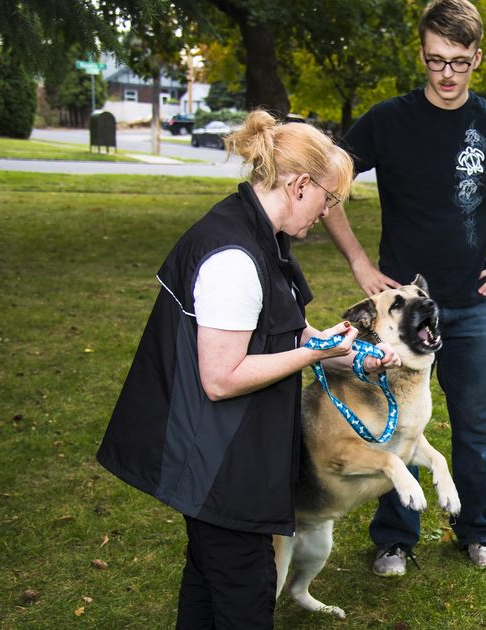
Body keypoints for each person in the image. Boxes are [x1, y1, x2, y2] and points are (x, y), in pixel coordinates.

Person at [96, 110, 398, 629]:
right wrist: (313, 356)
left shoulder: (263, 235)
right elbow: (221, 378)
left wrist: (351, 355)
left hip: (230, 452)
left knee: (208, 578)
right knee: (245, 593)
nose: (327, 213)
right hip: (215, 460)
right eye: (329, 200)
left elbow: (288, 331)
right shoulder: (233, 257)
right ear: (300, 186)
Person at [323, 0, 486, 577]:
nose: (447, 74)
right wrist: (359, 262)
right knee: (392, 425)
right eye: (435, 60)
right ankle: (395, 539)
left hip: (470, 309)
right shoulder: (387, 120)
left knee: (475, 429)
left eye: (459, 62)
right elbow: (327, 186)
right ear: (421, 54)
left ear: (478, 58)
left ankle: (475, 531)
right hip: (399, 319)